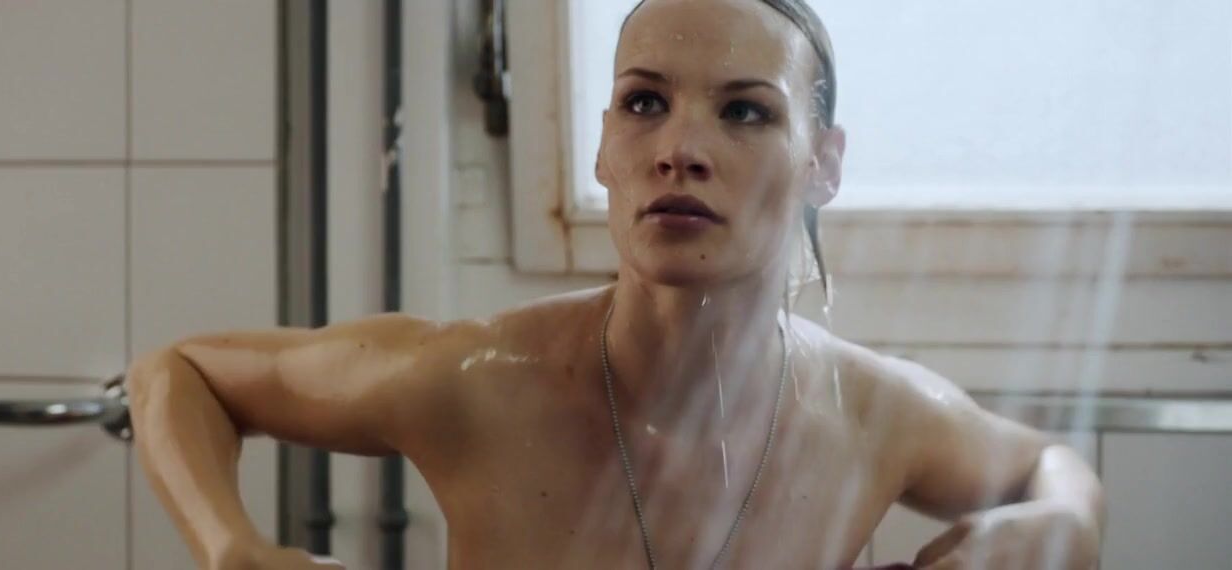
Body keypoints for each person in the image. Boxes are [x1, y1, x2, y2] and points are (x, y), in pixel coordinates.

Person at [126, 0, 1104, 568]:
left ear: (824, 164)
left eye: (745, 113)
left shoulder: (873, 414)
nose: (680, 148)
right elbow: (180, 372)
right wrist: (233, 550)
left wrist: (1058, 522)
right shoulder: (474, 380)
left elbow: (1053, 465)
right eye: (644, 103)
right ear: (602, 147)